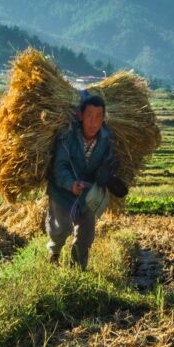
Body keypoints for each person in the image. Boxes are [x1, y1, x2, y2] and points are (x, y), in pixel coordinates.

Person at [46, 94, 121, 270]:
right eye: (89, 115)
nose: (93, 122)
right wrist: (71, 184)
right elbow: (60, 166)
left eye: (98, 117)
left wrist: (106, 176)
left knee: (86, 235)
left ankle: (77, 269)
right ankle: (54, 255)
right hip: (62, 191)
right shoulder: (68, 136)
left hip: (88, 194)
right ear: (81, 115)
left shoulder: (106, 140)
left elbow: (108, 163)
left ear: (103, 118)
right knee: (60, 230)